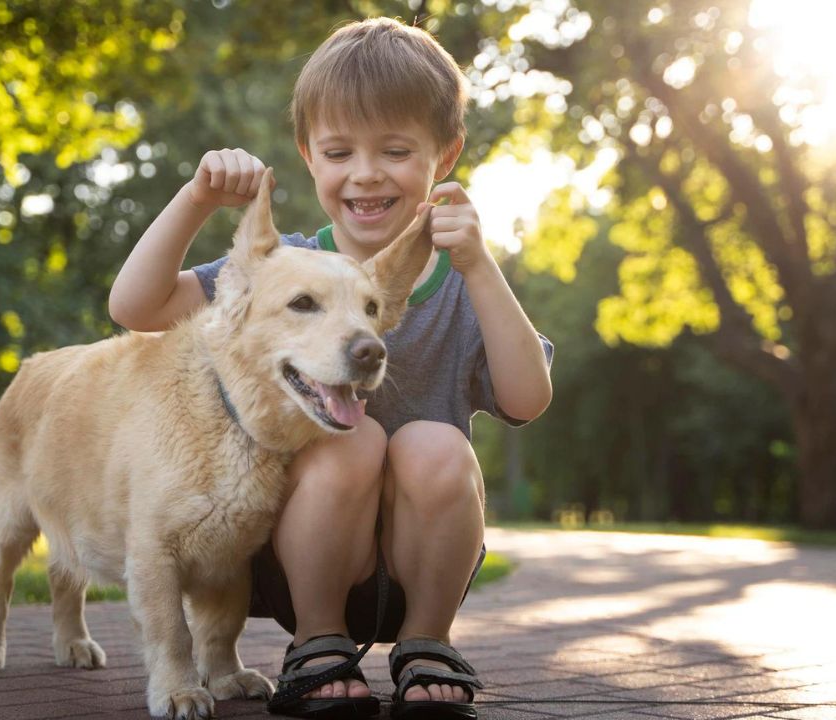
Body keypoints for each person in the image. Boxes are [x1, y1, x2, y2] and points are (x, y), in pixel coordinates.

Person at [109, 17, 553, 720]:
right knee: (352, 440)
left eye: (397, 149)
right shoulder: (281, 267)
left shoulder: (467, 279)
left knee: (433, 443)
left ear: (447, 153)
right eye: (339, 150)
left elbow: (527, 400)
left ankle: (428, 643)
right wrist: (197, 198)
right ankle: (317, 644)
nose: (367, 173)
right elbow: (137, 305)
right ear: (308, 156)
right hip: (299, 568)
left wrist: (480, 265)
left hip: (421, 568)